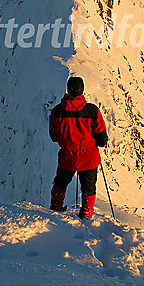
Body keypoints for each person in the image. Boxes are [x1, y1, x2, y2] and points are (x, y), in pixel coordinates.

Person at [49, 76, 108, 220]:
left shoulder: (57, 112)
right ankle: (86, 213)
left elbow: (54, 136)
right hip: (89, 157)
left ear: (68, 90)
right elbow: (101, 137)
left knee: (60, 183)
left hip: (68, 157)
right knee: (88, 187)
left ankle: (56, 207)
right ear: (82, 90)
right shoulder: (92, 111)